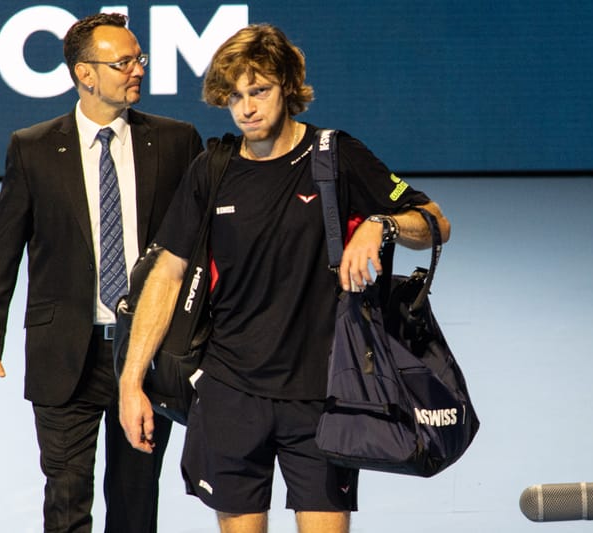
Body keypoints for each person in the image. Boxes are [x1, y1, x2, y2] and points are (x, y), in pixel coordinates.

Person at [118, 23, 451, 533]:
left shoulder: (335, 156)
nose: (247, 108)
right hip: (229, 392)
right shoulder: (213, 168)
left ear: (288, 88)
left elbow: (433, 220)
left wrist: (381, 224)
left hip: (322, 396)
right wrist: (131, 381)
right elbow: (168, 272)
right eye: (234, 96)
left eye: (260, 91)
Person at [0, 12, 203, 533]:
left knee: (136, 504)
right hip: (63, 352)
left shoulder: (179, 140)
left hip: (147, 351)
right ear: (85, 74)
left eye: (140, 58)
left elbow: (202, 249)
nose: (137, 69)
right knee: (66, 502)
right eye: (124, 62)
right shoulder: (33, 147)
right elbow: (2, 245)